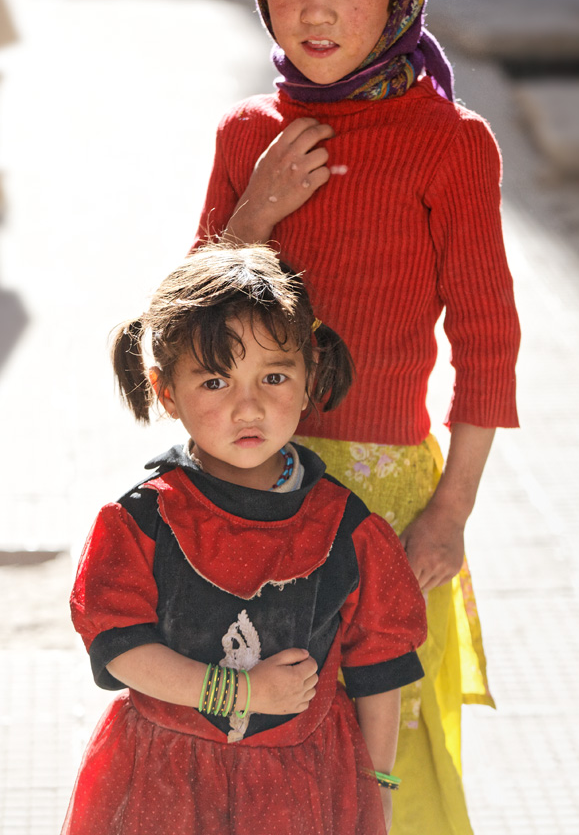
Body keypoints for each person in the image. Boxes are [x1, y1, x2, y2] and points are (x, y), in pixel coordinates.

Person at [192, 0, 521, 835]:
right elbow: (187, 326)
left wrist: (452, 510)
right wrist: (253, 213)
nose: (318, 9)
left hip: (385, 506)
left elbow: (489, 342)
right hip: (248, 496)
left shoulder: (451, 143)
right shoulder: (249, 137)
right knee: (256, 754)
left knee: (384, 767)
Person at [61, 244, 427, 835]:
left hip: (303, 790)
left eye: (274, 376)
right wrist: (240, 690)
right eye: (214, 381)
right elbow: (120, 648)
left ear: (311, 376)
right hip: (165, 784)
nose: (248, 406)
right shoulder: (141, 520)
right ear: (166, 392)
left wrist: (377, 787)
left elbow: (378, 666)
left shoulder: (347, 529)